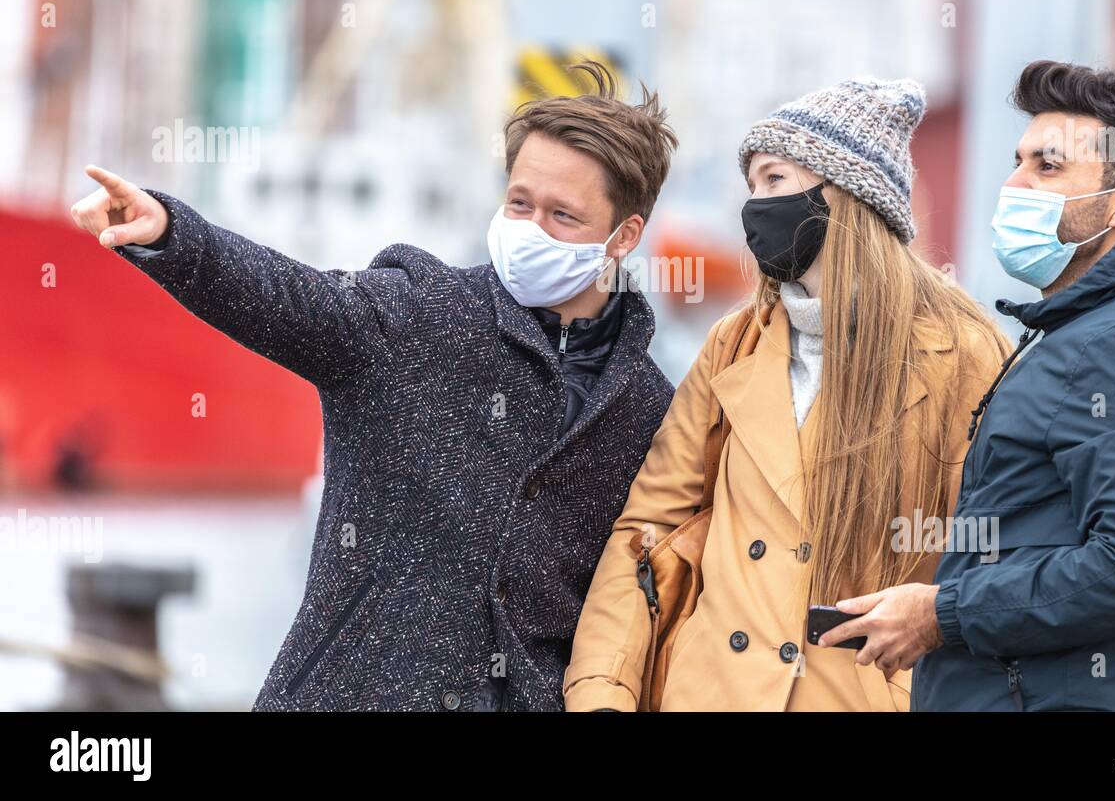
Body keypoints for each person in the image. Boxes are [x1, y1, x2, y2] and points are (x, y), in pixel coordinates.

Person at [68, 62, 679, 712]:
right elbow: (288, 298)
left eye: (562, 216)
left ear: (624, 237)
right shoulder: (419, 312)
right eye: (519, 203)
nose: (529, 230)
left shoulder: (647, 409)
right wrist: (171, 234)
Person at [564, 77, 1007, 711]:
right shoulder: (734, 344)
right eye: (750, 187)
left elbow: (987, 546)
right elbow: (647, 528)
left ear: (849, 196)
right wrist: (602, 693)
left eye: (774, 180)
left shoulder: (960, 353)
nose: (755, 208)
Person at [820, 60, 1115, 711]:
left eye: (1047, 167)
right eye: (1018, 162)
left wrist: (940, 614)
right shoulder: (1084, 333)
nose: (1012, 183)